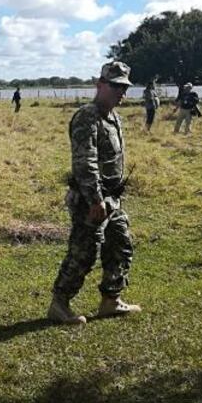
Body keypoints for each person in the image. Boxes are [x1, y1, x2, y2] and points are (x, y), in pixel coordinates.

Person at [47, 61, 141, 324]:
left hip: (113, 199)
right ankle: (60, 303)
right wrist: (95, 199)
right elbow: (84, 161)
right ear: (100, 85)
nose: (121, 92)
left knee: (120, 245)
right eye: (115, 86)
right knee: (84, 252)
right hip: (92, 200)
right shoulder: (87, 116)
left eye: (124, 87)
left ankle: (111, 300)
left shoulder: (114, 117)